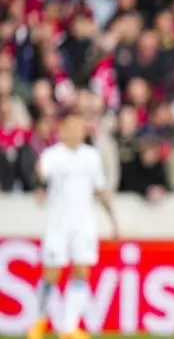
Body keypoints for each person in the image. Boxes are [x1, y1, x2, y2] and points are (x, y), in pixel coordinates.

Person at [27, 114, 119, 339]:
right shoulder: (52, 155)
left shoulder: (91, 157)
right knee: (51, 273)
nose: (76, 132)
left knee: (81, 271)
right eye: (72, 127)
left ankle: (68, 327)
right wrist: (39, 182)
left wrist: (113, 219)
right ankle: (39, 321)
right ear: (62, 130)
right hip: (57, 224)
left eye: (80, 128)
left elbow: (99, 189)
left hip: (84, 225)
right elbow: (39, 173)